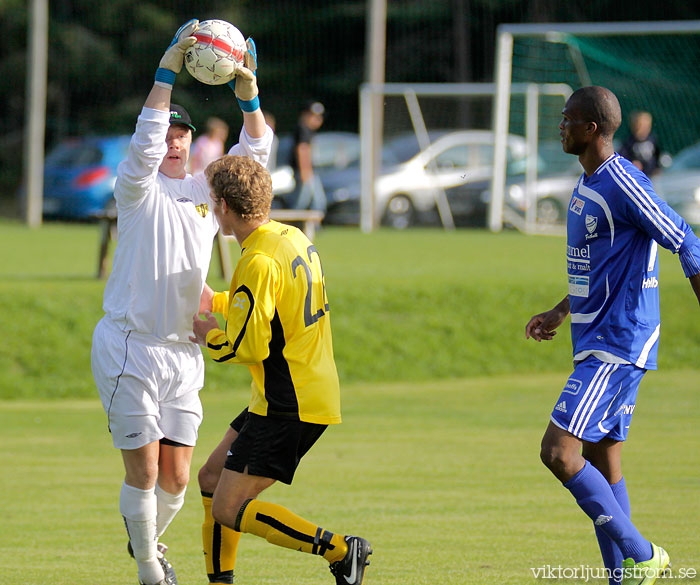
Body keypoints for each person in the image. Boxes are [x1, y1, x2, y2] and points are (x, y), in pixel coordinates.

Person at [90, 19, 273, 585]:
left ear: (193, 142)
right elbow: (145, 141)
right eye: (166, 133)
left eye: (182, 134)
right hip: (130, 346)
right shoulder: (137, 189)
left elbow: (255, 159)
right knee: (144, 471)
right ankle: (150, 568)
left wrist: (251, 101)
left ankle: (143, 537)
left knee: (175, 479)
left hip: (183, 355)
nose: (173, 141)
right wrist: (166, 72)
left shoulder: (203, 193)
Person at [525, 86, 700, 585]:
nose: (560, 126)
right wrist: (561, 310)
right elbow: (595, 268)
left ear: (591, 129)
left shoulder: (625, 182)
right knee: (604, 462)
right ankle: (624, 578)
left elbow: (686, 242)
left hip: (619, 344)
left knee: (558, 452)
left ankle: (644, 556)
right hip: (593, 337)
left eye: (567, 119)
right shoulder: (587, 184)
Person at [190, 155, 372, 585]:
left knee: (228, 506)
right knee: (212, 479)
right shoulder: (289, 238)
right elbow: (269, 307)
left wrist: (208, 337)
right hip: (293, 392)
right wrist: (216, 300)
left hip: (289, 400)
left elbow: (249, 343)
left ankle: (342, 550)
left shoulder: (256, 260)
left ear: (225, 208)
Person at [289, 100, 327, 211]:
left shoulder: (307, 131)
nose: (317, 119)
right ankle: (293, 224)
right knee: (304, 203)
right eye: (313, 116)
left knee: (313, 202)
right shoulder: (303, 130)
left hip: (309, 171)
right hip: (306, 171)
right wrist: (305, 171)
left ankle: (313, 226)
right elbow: (302, 150)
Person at [618, 110, 661, 177]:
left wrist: (657, 167)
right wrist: (631, 164)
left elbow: (657, 155)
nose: (644, 129)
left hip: (651, 174)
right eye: (641, 126)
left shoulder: (652, 140)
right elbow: (623, 157)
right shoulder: (629, 142)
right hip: (637, 176)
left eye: (647, 126)